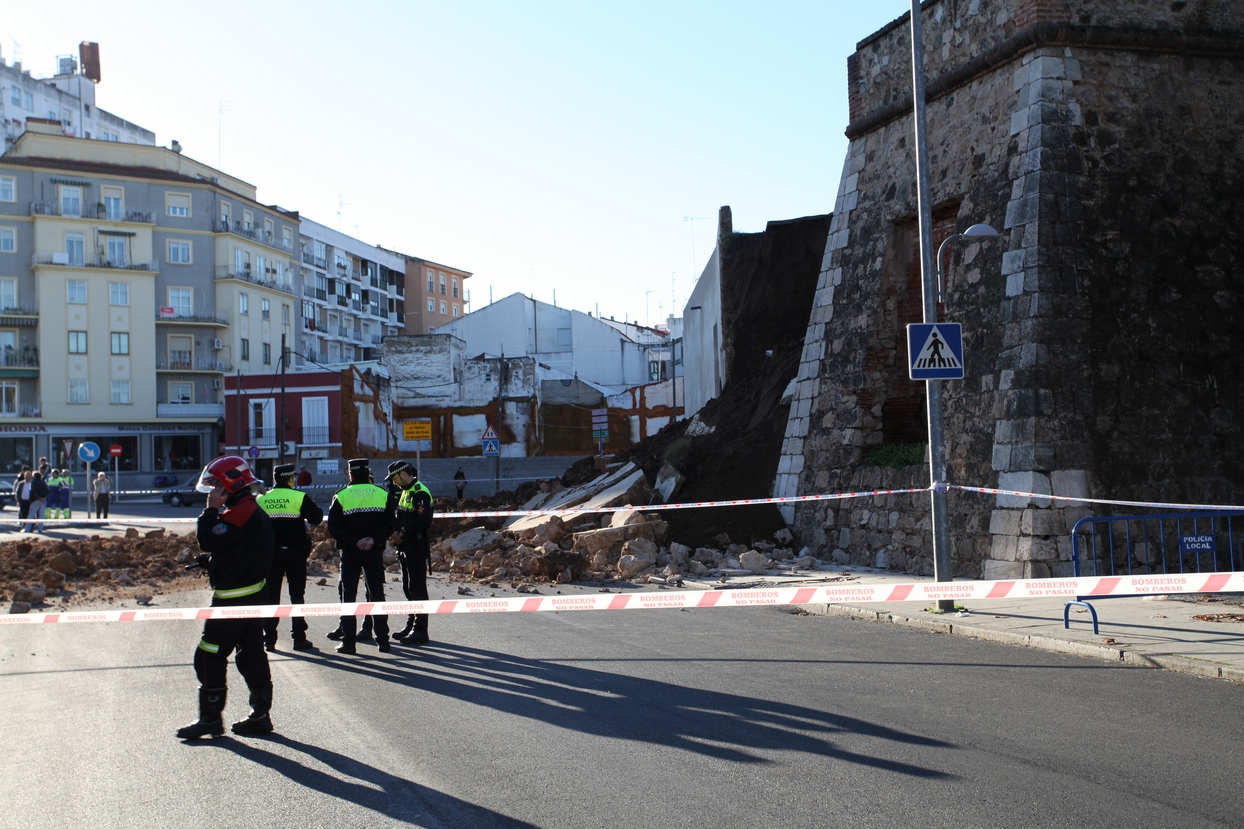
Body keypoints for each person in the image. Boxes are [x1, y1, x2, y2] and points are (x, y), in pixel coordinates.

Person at [177, 456, 276, 740]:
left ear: (230, 484)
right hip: (251, 595)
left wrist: (210, 511)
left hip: (234, 599)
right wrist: (215, 563)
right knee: (251, 654)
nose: (213, 492)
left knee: (208, 654)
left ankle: (210, 719)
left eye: (216, 486)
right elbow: (240, 550)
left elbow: (210, 538)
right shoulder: (248, 510)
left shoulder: (240, 511)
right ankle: (260, 715)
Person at [327, 458, 393, 655]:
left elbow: (334, 526)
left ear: (350, 474)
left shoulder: (342, 496)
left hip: (350, 551)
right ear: (368, 473)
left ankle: (349, 643)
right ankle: (383, 641)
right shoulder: (382, 494)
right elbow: (391, 523)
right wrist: (373, 539)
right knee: (377, 595)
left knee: (348, 596)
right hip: (374, 550)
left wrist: (354, 541)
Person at [256, 464, 324, 652]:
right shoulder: (298, 497)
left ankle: (269, 640)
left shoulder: (262, 499)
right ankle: (299, 639)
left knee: (271, 597)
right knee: (297, 596)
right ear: (290, 479)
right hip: (295, 553)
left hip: (271, 555)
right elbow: (317, 517)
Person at [389, 460, 435, 644]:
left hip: (416, 547)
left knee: (418, 589)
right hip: (405, 546)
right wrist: (396, 533)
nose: (393, 482)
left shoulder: (419, 492)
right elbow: (401, 516)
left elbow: (424, 521)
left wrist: (404, 531)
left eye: (394, 478)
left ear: (402, 474)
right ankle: (411, 625)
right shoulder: (405, 492)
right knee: (409, 589)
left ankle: (421, 631)